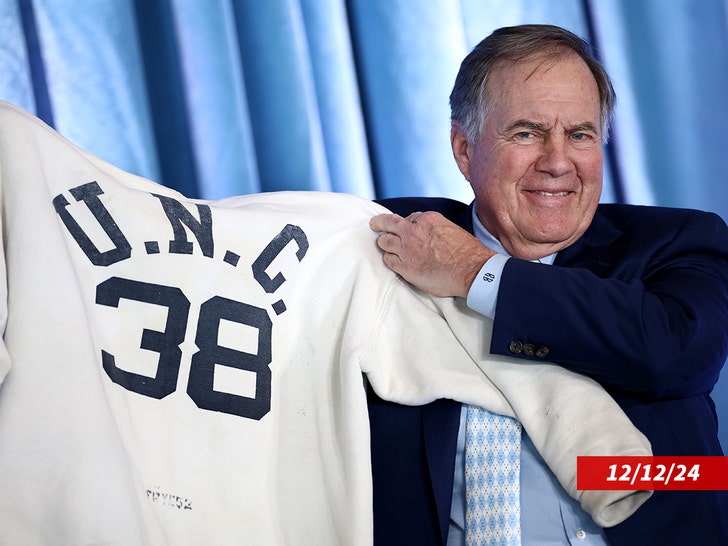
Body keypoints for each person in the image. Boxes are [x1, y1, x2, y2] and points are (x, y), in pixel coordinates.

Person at [368, 24, 728, 545]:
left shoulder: (678, 240)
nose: (558, 161)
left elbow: (674, 353)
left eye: (580, 134)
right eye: (526, 132)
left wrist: (477, 273)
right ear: (465, 150)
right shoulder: (391, 239)